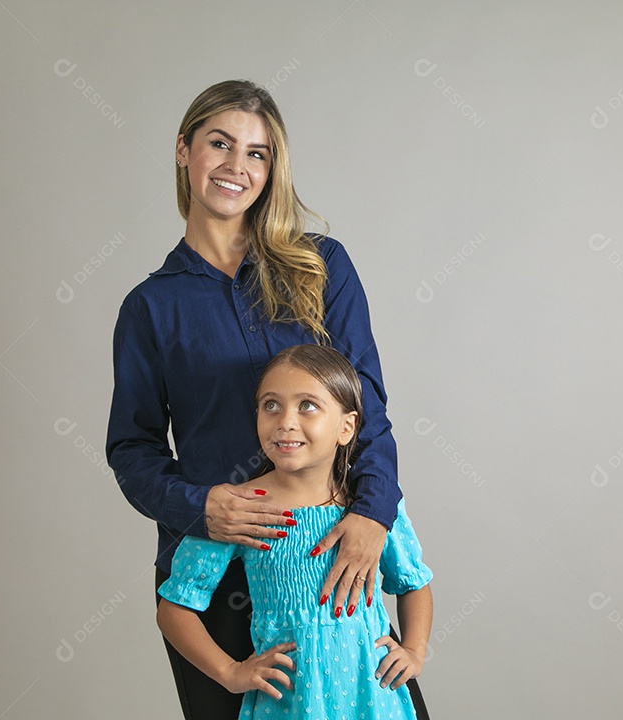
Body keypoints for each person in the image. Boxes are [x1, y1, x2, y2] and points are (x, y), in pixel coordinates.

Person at [105, 79, 430, 718]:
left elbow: (370, 411)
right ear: (183, 151)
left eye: (257, 153)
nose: (236, 166)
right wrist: (202, 507)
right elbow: (131, 449)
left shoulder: (322, 266)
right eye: (219, 144)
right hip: (216, 574)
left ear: (273, 168)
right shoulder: (151, 307)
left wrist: (371, 516)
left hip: (330, 557)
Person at [157, 345, 433, 719]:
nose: (285, 421)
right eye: (271, 405)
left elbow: (413, 582)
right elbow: (174, 608)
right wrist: (231, 672)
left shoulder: (372, 510)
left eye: (307, 405)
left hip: (373, 697)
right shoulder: (242, 508)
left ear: (346, 426)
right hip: (288, 703)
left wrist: (414, 652)